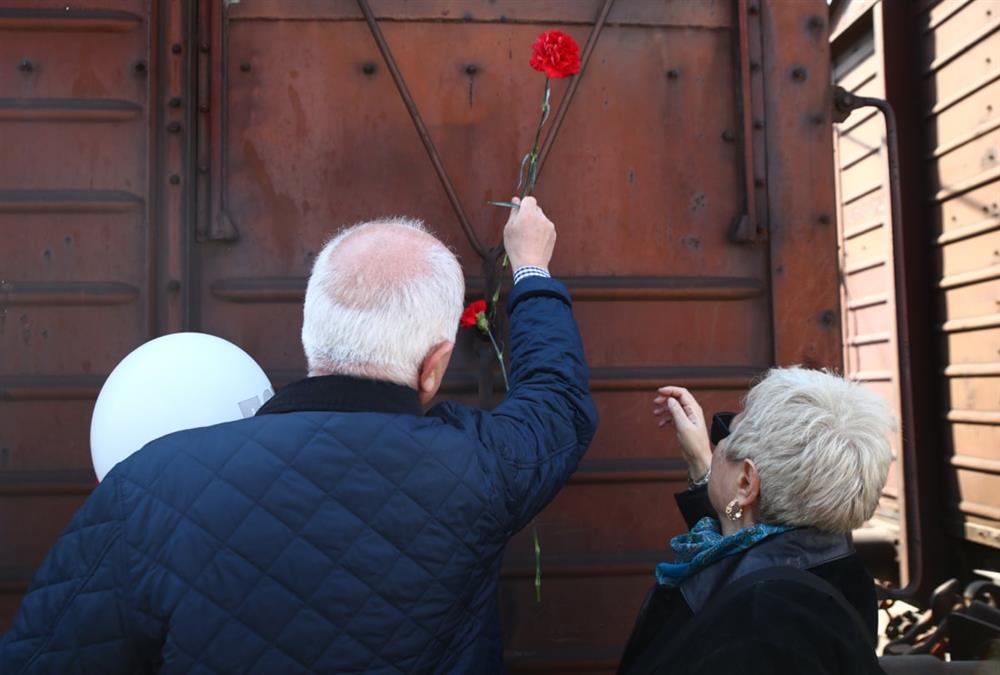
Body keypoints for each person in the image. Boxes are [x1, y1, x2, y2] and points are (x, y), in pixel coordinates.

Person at [0, 197, 598, 674]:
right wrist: (530, 267)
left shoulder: (148, 485)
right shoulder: (481, 470)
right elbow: (556, 402)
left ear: (311, 333)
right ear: (434, 366)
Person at [617, 367, 894, 675]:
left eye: (725, 434)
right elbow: (744, 543)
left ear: (746, 481)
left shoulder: (756, 630)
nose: (716, 444)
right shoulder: (839, 570)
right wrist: (701, 464)